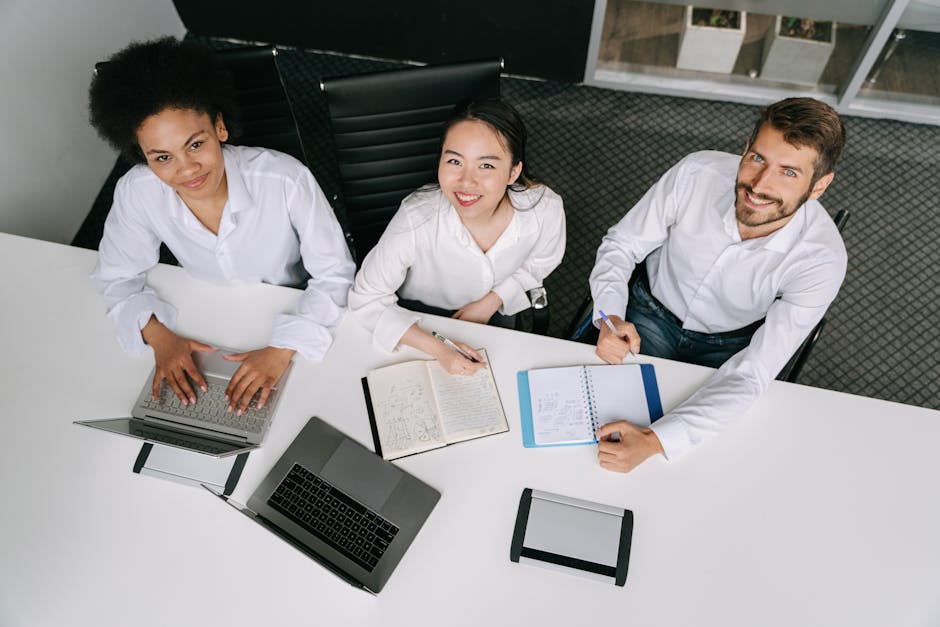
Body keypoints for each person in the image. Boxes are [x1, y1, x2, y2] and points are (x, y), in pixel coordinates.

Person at [88, 38, 355, 414]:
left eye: (195, 144)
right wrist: (159, 337)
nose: (186, 169)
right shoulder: (138, 190)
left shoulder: (285, 179)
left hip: (288, 301)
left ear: (220, 128)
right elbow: (116, 277)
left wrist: (282, 349)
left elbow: (335, 276)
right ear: (143, 157)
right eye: (162, 157)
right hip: (205, 310)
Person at [589, 97, 847, 472]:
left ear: (819, 185)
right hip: (647, 312)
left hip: (729, 344)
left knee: (706, 461)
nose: (759, 186)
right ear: (745, 149)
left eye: (788, 172)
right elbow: (622, 245)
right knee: (595, 423)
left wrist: (656, 441)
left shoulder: (822, 260)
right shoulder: (697, 172)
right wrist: (609, 313)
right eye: (758, 159)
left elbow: (753, 372)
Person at [348, 98, 566, 375]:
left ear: (513, 172)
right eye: (454, 161)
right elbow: (365, 299)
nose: (466, 182)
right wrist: (439, 349)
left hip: (496, 310)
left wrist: (493, 300)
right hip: (418, 319)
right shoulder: (417, 217)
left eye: (486, 166)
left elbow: (541, 261)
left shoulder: (545, 208)